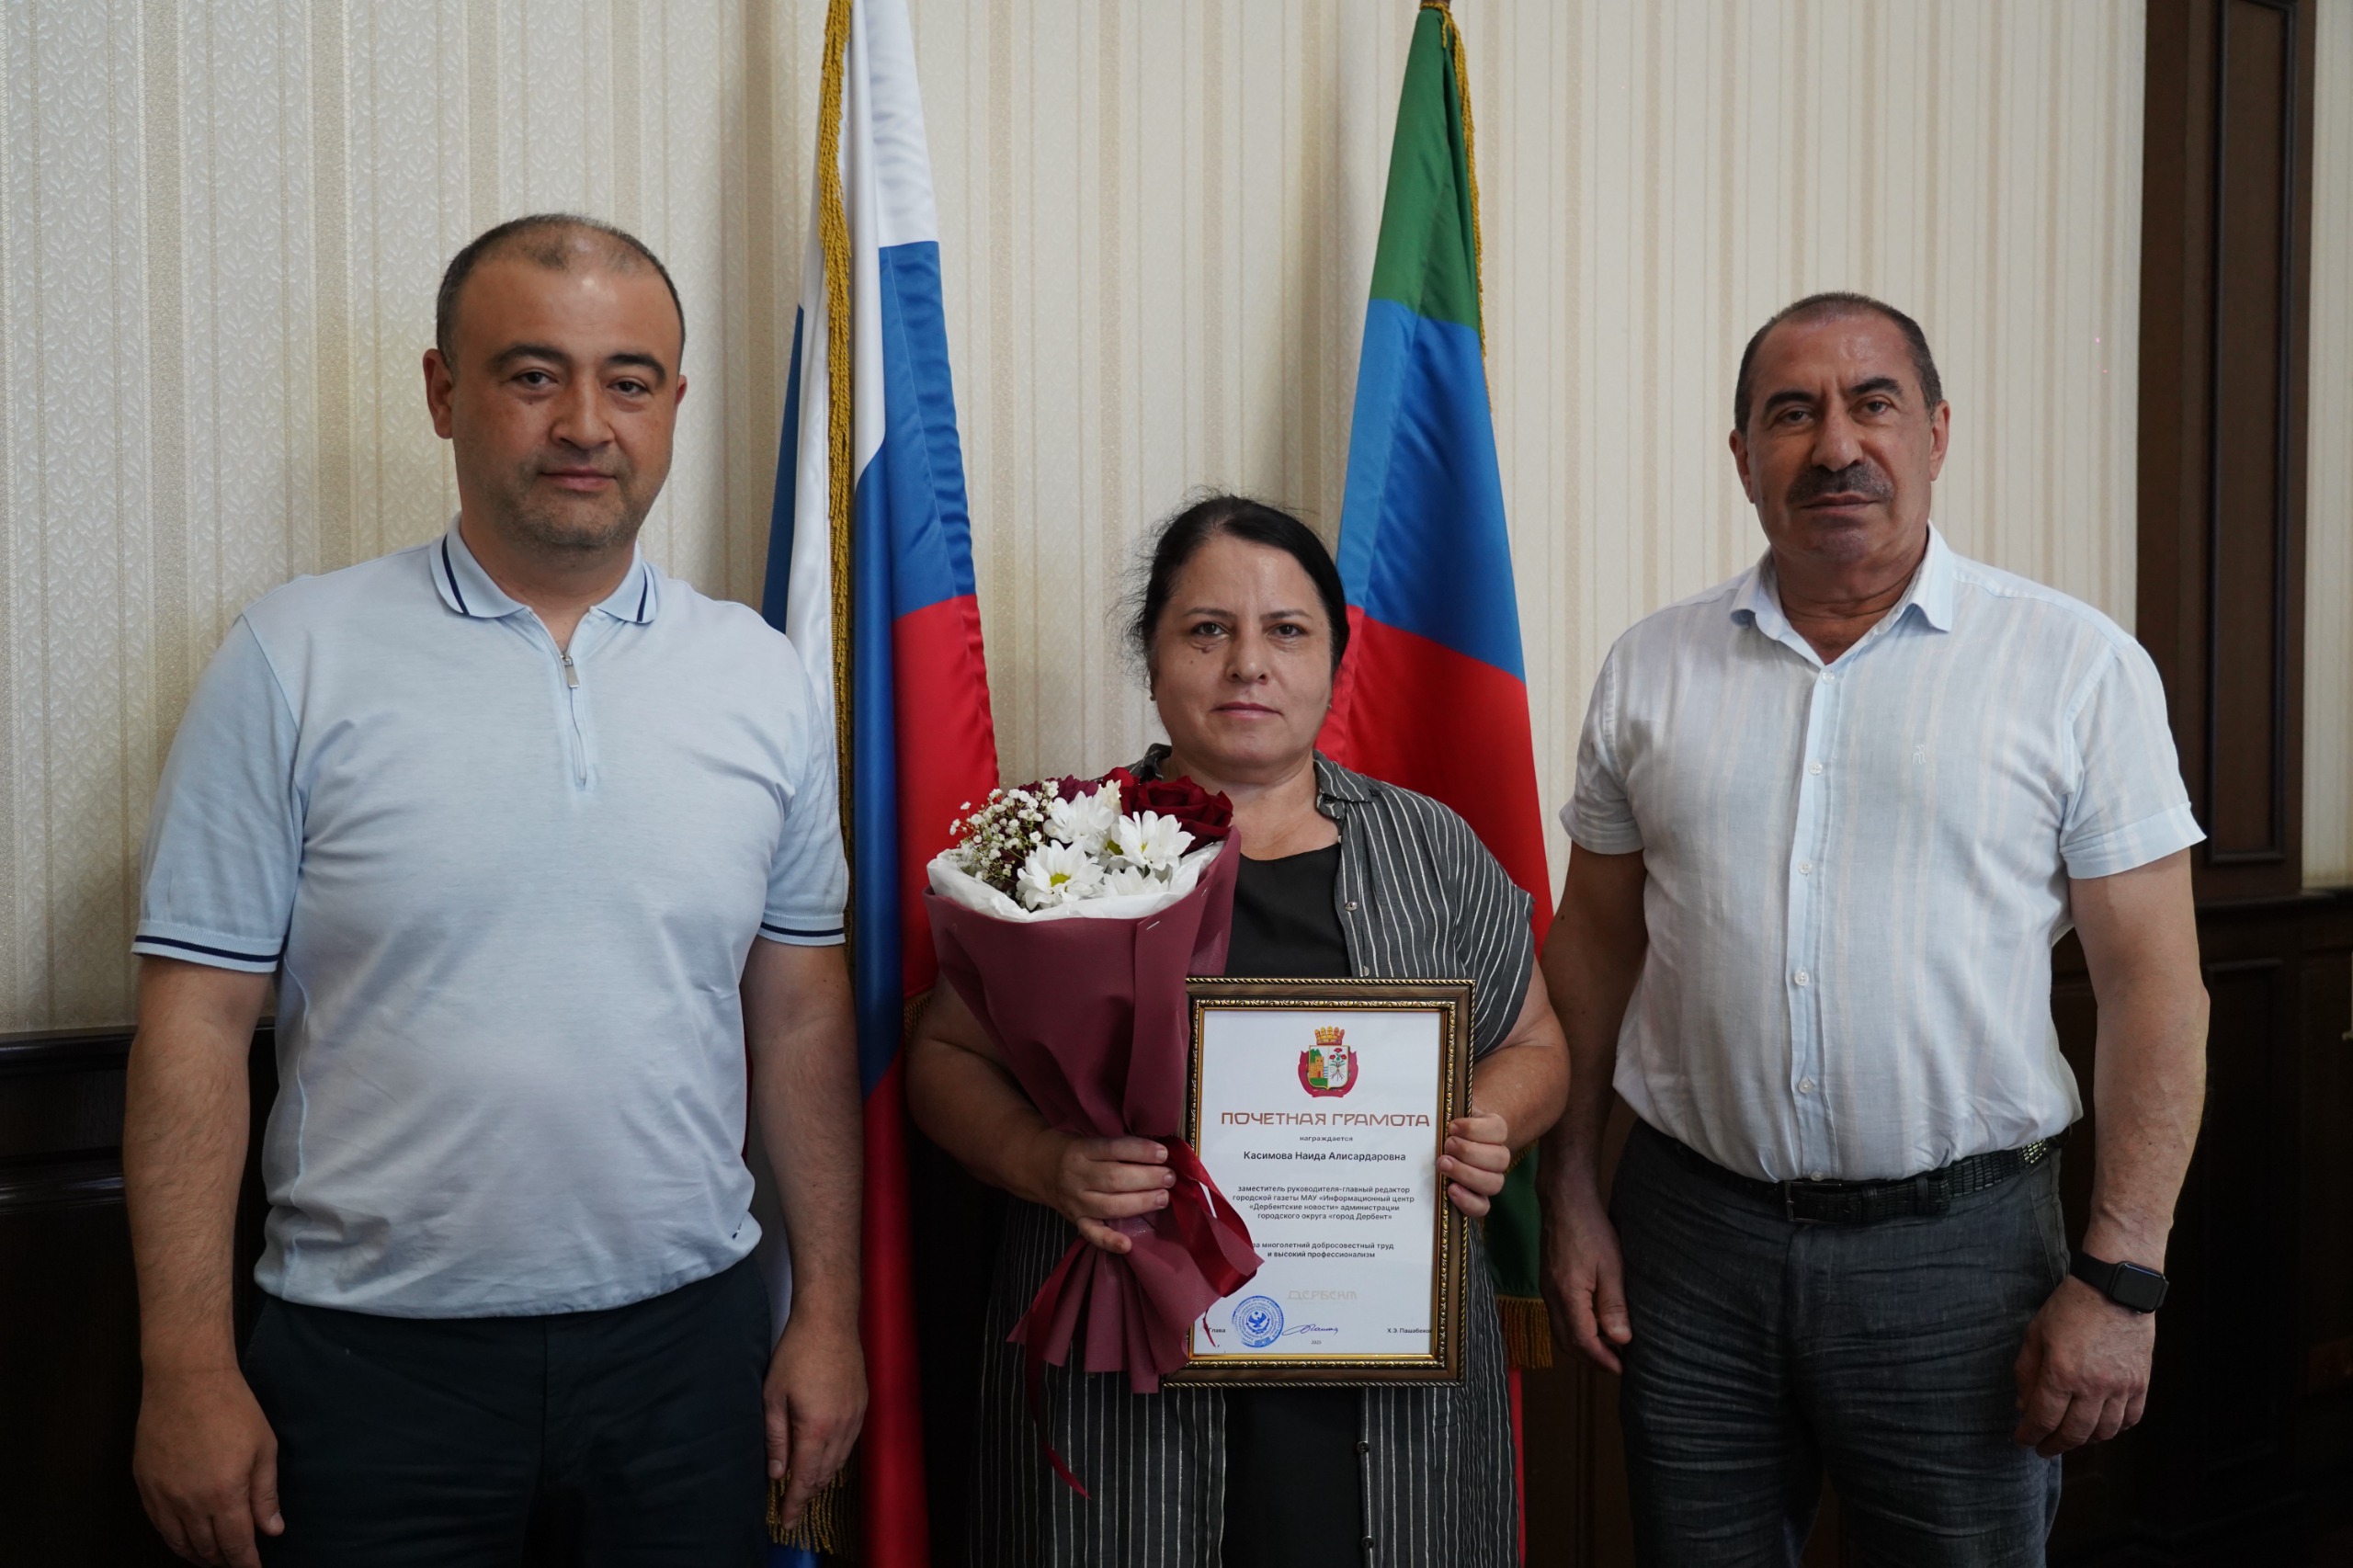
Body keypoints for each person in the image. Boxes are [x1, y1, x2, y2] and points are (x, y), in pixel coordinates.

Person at [121, 213, 866, 1568]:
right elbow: (196, 1026)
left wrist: (827, 1310)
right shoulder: (293, 657)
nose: (584, 422)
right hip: (371, 1366)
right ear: (443, 392)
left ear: (674, 403)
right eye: (533, 375)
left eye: (627, 380)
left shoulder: (761, 678)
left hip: (687, 1360)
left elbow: (803, 1014)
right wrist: (184, 1367)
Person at [1538, 292, 2209, 1566]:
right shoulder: (1650, 668)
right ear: (1742, 454)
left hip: (1960, 1260)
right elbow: (1594, 948)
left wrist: (2124, 1276)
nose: (1836, 445)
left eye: (1873, 404)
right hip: (1689, 1246)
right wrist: (1566, 1189)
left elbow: (2155, 989)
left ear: (1936, 433)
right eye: (1792, 413)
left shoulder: (2075, 667)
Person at [905, 495, 1569, 1567]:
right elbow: (943, 1055)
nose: (1248, 663)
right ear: (1151, 653)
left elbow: (1535, 1043)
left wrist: (1486, 1121)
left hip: (1383, 1366)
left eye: (1286, 630)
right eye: (1207, 628)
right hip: (1123, 1387)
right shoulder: (1063, 845)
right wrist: (1044, 1161)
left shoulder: (1432, 849)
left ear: (1336, 658)